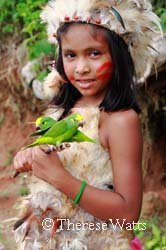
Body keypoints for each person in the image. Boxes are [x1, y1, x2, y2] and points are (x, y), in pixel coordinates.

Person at [13, 0, 161, 249]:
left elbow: (127, 216)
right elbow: (57, 160)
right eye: (70, 55)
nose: (81, 68)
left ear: (118, 55)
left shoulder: (120, 120)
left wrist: (60, 178)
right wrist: (31, 157)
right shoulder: (64, 109)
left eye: (94, 53)